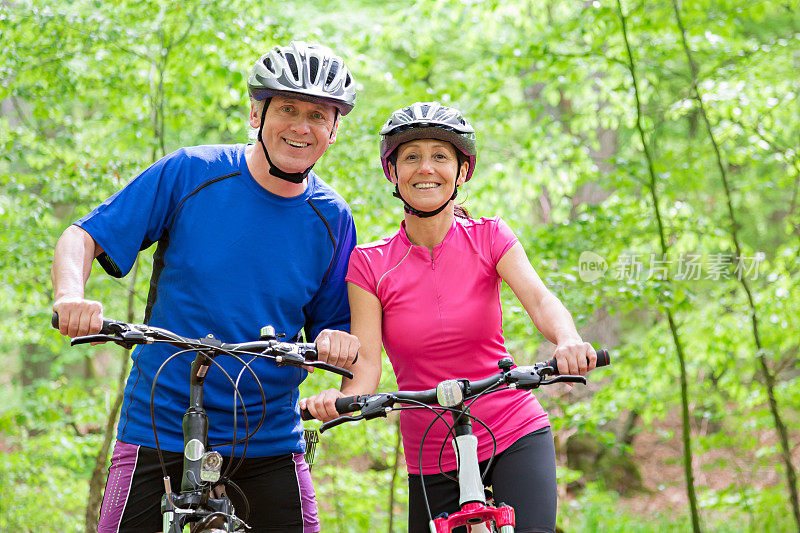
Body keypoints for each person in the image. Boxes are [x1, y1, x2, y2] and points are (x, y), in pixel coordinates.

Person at [51, 41, 361, 533]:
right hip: (161, 418)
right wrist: (71, 296)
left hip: (268, 435)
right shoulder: (192, 172)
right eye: (287, 109)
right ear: (257, 113)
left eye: (318, 116)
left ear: (334, 129)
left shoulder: (333, 218)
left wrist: (340, 345)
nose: (301, 127)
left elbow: (339, 330)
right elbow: (82, 236)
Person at [301, 101, 597, 533]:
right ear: (393, 172)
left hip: (511, 428)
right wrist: (339, 398)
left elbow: (540, 299)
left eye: (440, 156)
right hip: (430, 449)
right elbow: (366, 367)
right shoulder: (369, 264)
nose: (426, 168)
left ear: (462, 171)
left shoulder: (490, 236)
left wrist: (568, 340)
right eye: (412, 156)